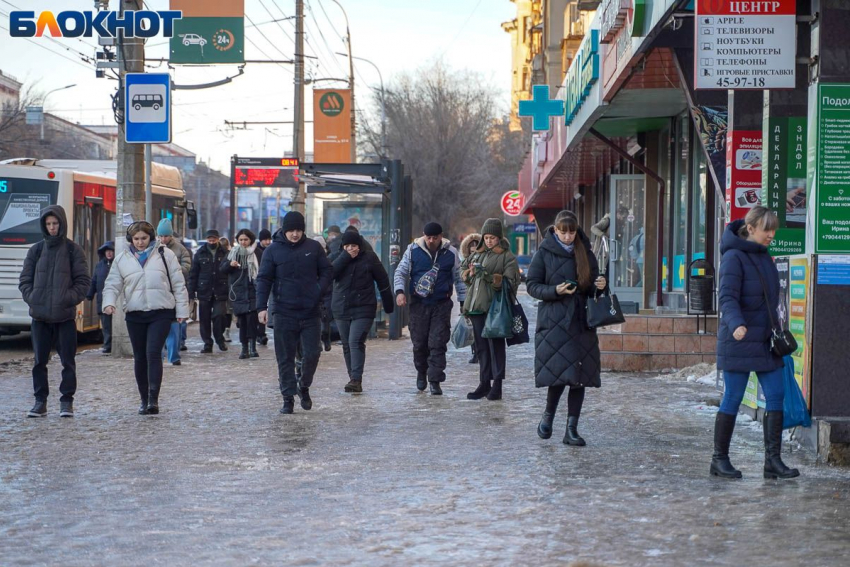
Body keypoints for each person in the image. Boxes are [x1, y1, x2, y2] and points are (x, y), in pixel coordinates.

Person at [713, 206, 799, 480]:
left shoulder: (764, 256)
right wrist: (736, 324)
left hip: (765, 340)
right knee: (733, 397)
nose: (771, 235)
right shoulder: (733, 257)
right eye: (766, 230)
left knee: (776, 395)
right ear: (750, 229)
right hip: (738, 338)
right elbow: (727, 297)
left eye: (774, 230)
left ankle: (773, 461)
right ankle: (719, 460)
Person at [526, 211, 607, 446]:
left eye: (571, 232)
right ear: (556, 230)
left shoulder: (585, 252)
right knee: (559, 373)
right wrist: (555, 290)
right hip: (555, 321)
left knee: (579, 377)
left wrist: (600, 285)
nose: (568, 236)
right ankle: (548, 417)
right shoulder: (544, 253)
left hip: (582, 321)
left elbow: (592, 286)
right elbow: (532, 285)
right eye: (564, 232)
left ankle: (571, 429)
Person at [103, 221, 190, 415]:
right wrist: (108, 303)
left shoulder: (165, 254)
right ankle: (143, 399)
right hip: (135, 313)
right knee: (140, 356)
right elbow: (112, 283)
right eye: (136, 239)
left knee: (153, 353)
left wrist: (182, 311)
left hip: (161, 312)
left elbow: (178, 283)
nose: (140, 242)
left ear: (151, 237)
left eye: (144, 238)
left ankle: (153, 399)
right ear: (130, 239)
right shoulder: (122, 258)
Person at [256, 211, 333, 414]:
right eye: (291, 230)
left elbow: (327, 271)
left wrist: (318, 289)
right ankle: (288, 398)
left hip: (310, 311)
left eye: (299, 230)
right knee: (285, 357)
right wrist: (261, 307)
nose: (295, 234)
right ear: (284, 230)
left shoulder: (313, 248)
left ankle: (303, 385)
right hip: (283, 311)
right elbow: (263, 279)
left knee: (312, 353)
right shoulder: (272, 251)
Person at [19, 205, 90, 418]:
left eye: (55, 223)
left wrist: (67, 299)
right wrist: (33, 298)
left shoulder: (73, 250)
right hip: (40, 317)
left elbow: (83, 282)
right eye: (48, 224)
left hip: (64, 317)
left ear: (61, 224)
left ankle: (66, 401)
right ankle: (40, 401)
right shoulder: (36, 250)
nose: (52, 227)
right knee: (39, 362)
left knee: (68, 362)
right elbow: (25, 280)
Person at [394, 222, 466, 395]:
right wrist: (400, 292)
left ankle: (435, 380)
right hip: (419, 304)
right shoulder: (412, 250)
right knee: (419, 343)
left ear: (441, 236)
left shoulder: (451, 253)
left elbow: (459, 278)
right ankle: (421, 371)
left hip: (442, 304)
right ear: (423, 236)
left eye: (435, 237)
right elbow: (401, 272)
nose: (432, 240)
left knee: (438, 342)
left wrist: (463, 301)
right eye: (429, 237)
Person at [461, 219, 519, 401]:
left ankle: (497, 385)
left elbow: (511, 282)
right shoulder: (477, 254)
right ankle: (484, 382)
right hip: (476, 307)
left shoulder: (507, 256)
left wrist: (489, 277)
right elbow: (463, 271)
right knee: (482, 348)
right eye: (486, 237)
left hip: (496, 308)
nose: (488, 241)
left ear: (499, 237)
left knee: (496, 347)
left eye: (492, 238)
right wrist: (469, 274)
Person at [332, 230, 394, 393]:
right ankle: (352, 377)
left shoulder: (369, 258)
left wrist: (388, 305)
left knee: (355, 341)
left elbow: (383, 280)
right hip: (341, 307)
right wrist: (345, 257)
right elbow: (329, 274)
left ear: (359, 246)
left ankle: (356, 379)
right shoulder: (337, 257)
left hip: (364, 307)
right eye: (347, 246)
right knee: (346, 344)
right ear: (343, 246)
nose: (350, 249)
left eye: (354, 246)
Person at [221, 229, 261, 360]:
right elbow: (222, 269)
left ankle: (253, 347)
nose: (243, 242)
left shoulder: (257, 253)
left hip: (253, 290)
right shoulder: (233, 253)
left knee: (252, 320)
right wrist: (230, 265)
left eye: (246, 239)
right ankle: (244, 348)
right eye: (241, 240)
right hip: (238, 292)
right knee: (242, 321)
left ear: (251, 240)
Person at [157, 218, 192, 366]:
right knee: (158, 328)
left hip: (174, 290)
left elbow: (187, 267)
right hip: (159, 292)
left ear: (171, 235)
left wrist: (174, 271)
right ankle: (158, 356)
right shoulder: (154, 249)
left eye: (166, 236)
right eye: (161, 236)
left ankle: (174, 356)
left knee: (174, 326)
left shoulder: (180, 249)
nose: (163, 239)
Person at [188, 229, 229, 353]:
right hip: (204, 290)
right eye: (209, 240)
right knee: (204, 319)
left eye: (214, 240)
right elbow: (194, 273)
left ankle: (219, 339)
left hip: (220, 289)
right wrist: (191, 291)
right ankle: (207, 343)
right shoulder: (200, 253)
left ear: (218, 239)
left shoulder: (225, 252)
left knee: (219, 315)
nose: (211, 242)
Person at [87, 240, 115, 354]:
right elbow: (94, 281)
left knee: (115, 324)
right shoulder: (99, 265)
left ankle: (113, 345)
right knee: (106, 325)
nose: (109, 253)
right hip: (102, 300)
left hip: (115, 300)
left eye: (111, 251)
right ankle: (108, 345)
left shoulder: (117, 264)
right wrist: (89, 294)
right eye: (107, 251)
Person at [459, 232, 481, 365]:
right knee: (471, 327)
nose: (474, 254)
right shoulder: (465, 263)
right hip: (469, 298)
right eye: (471, 251)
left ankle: (480, 352)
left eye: (476, 250)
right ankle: (475, 352)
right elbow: (462, 280)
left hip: (481, 298)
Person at [255, 229, 272, 346]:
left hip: (268, 282)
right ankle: (259, 334)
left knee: (264, 308)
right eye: (265, 240)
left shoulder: (271, 250)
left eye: (269, 239)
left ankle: (261, 334)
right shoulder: (255, 251)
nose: (268, 242)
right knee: (260, 307)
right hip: (258, 282)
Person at [219, 237, 234, 343]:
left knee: (225, 310)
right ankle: (225, 331)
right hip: (226, 285)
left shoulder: (230, 254)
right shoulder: (230, 254)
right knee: (227, 310)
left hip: (225, 285)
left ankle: (223, 331)